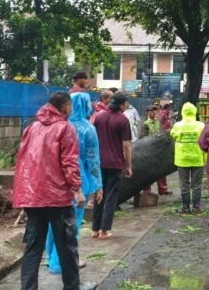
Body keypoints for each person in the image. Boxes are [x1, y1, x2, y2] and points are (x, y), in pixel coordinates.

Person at [13, 92, 95, 290]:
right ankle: (72, 286)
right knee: (67, 247)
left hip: (33, 197)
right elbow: (69, 162)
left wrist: (23, 193)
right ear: (65, 108)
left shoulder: (32, 128)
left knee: (33, 248)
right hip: (58, 198)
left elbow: (23, 161)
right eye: (70, 108)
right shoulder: (65, 128)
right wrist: (77, 189)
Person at [45, 92, 103, 273]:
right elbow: (93, 161)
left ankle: (50, 258)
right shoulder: (88, 129)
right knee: (72, 224)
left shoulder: (57, 125)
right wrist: (98, 185)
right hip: (79, 181)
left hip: (54, 180)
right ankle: (62, 262)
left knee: (53, 222)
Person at [91, 92, 133, 239]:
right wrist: (128, 166)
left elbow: (94, 140)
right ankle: (104, 230)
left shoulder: (99, 117)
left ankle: (95, 229)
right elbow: (126, 145)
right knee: (111, 197)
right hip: (115, 163)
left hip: (99, 162)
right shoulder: (123, 120)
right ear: (122, 105)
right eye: (125, 104)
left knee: (99, 194)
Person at [171, 102, 205, 213]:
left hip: (182, 159)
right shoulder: (201, 125)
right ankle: (196, 207)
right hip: (197, 158)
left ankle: (185, 207)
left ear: (183, 112)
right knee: (197, 185)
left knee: (184, 185)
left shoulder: (177, 125)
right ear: (194, 112)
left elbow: (173, 135)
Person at [140, 105, 171, 195]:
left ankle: (163, 189)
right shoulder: (145, 124)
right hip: (149, 151)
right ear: (147, 113)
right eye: (151, 111)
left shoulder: (158, 122)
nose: (153, 112)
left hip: (158, 150)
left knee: (161, 171)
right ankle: (147, 191)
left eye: (155, 111)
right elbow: (142, 138)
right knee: (147, 172)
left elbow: (161, 132)